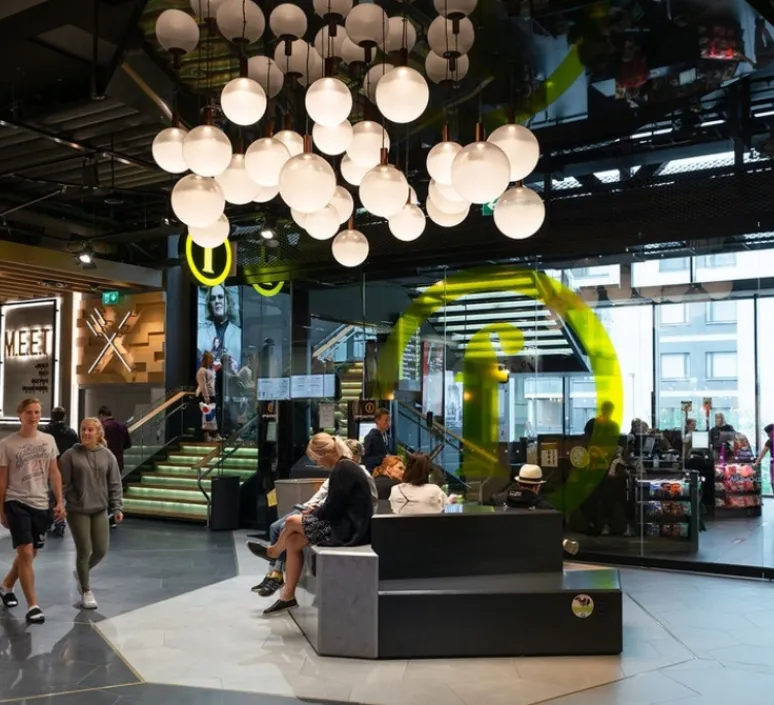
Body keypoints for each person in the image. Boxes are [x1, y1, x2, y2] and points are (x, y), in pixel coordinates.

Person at [249, 433, 373, 615]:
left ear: (326, 453)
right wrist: (315, 511)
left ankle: (273, 552)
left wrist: (313, 512)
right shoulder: (344, 467)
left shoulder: (343, 469)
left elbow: (333, 508)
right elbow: (335, 505)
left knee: (291, 521)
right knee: (292, 542)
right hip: (345, 525)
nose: (318, 464)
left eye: (317, 459)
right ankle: (287, 597)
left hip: (348, 530)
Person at [0, 398, 64, 624]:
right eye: (29, 412)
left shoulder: (48, 440)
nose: (34, 416)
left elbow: (54, 472)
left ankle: (6, 585)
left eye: (37, 412)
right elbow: (2, 479)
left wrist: (60, 501)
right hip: (16, 501)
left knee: (30, 554)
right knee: (25, 552)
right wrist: (1, 509)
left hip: (41, 502)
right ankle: (33, 606)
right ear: (20, 414)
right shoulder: (7, 444)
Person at [59, 417, 124, 610]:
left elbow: (115, 483)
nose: (86, 433)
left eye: (90, 430)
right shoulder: (70, 455)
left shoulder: (107, 455)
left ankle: (81, 572)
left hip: (99, 509)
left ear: (98, 433)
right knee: (84, 550)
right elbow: (62, 484)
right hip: (77, 509)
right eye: (83, 429)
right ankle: (86, 591)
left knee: (101, 550)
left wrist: (117, 507)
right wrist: (60, 504)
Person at [41, 407, 78, 537]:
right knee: (60, 495)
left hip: (49, 466)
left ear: (52, 416)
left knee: (47, 495)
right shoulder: (71, 433)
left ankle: (47, 521)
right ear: (64, 416)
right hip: (65, 467)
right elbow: (75, 450)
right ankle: (60, 523)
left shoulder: (45, 431)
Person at [197, 285, 240, 372]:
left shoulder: (239, 334)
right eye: (213, 298)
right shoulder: (200, 334)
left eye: (220, 297)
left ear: (228, 302)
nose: (217, 301)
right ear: (210, 305)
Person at [196, 351, 222, 442]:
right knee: (207, 417)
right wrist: (206, 397)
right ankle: (210, 435)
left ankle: (213, 435)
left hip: (212, 395)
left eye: (212, 358)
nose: (212, 360)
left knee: (211, 416)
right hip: (206, 396)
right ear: (206, 359)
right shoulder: (201, 371)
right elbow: (203, 385)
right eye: (210, 358)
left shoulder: (210, 370)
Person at [98, 406, 131, 473]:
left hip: (105, 462)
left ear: (101, 415)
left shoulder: (102, 427)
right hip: (119, 462)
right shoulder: (122, 426)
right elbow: (128, 445)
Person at [754, 423, 774, 488]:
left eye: (768, 433)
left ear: (772, 431)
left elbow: (762, 454)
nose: (768, 435)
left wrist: (755, 464)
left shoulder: (770, 441)